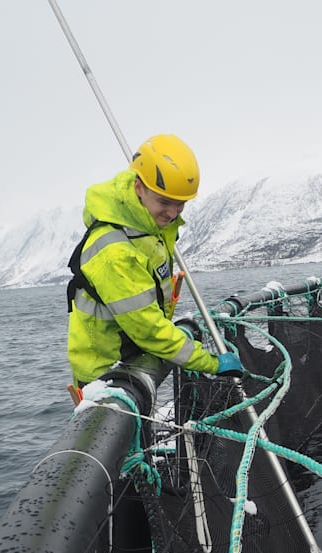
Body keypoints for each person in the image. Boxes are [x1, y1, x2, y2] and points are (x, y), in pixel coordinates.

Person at [65, 134, 243, 390]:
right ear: (139, 187)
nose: (172, 213)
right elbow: (148, 330)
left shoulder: (148, 224)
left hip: (135, 355)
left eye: (180, 205)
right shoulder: (114, 251)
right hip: (105, 375)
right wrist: (211, 362)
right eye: (164, 202)